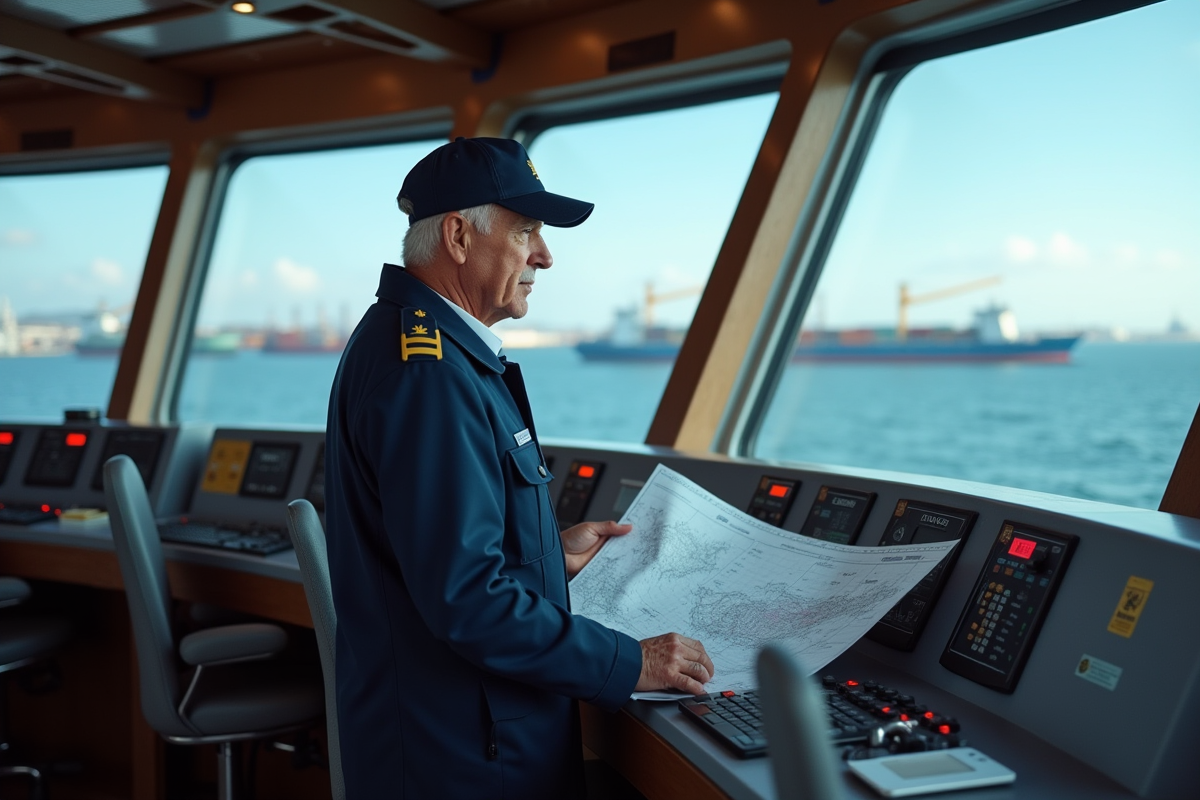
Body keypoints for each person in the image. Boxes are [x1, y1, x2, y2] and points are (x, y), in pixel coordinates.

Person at [324, 137, 714, 799]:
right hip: (462, 753)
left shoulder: (416, 345)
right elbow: (467, 600)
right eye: (527, 232)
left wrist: (545, 559)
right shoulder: (430, 376)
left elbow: (438, 560)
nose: (545, 256)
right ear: (456, 236)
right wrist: (633, 661)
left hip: (452, 732)